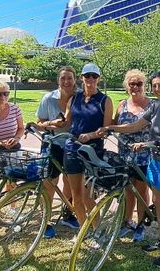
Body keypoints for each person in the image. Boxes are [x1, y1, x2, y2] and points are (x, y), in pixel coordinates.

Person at [99, 70, 160, 268]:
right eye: (154, 86)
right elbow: (135, 126)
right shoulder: (155, 106)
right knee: (158, 202)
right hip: (155, 161)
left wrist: (151, 144)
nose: (157, 89)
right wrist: (110, 128)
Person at [57, 63, 113, 237]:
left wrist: (90, 135)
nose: (90, 80)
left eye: (94, 76)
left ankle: (97, 230)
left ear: (98, 79)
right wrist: (46, 124)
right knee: (76, 195)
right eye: (87, 76)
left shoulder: (105, 100)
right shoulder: (74, 98)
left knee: (88, 196)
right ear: (81, 78)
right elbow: (66, 121)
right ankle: (83, 231)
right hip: (72, 149)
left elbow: (106, 130)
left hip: (92, 151)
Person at [34, 66, 81, 238]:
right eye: (63, 79)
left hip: (72, 144)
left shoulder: (81, 97)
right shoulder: (48, 98)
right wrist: (55, 123)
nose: (67, 82)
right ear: (58, 81)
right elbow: (40, 121)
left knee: (70, 181)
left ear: (75, 79)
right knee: (49, 182)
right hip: (52, 143)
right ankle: (45, 220)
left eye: (70, 78)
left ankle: (67, 213)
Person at [114, 69, 152, 242]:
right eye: (132, 84)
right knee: (127, 188)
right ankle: (127, 221)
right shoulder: (122, 105)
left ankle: (141, 224)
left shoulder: (151, 105)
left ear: (144, 86)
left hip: (143, 153)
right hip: (124, 153)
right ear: (127, 86)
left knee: (141, 189)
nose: (135, 87)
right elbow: (114, 123)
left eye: (139, 83)